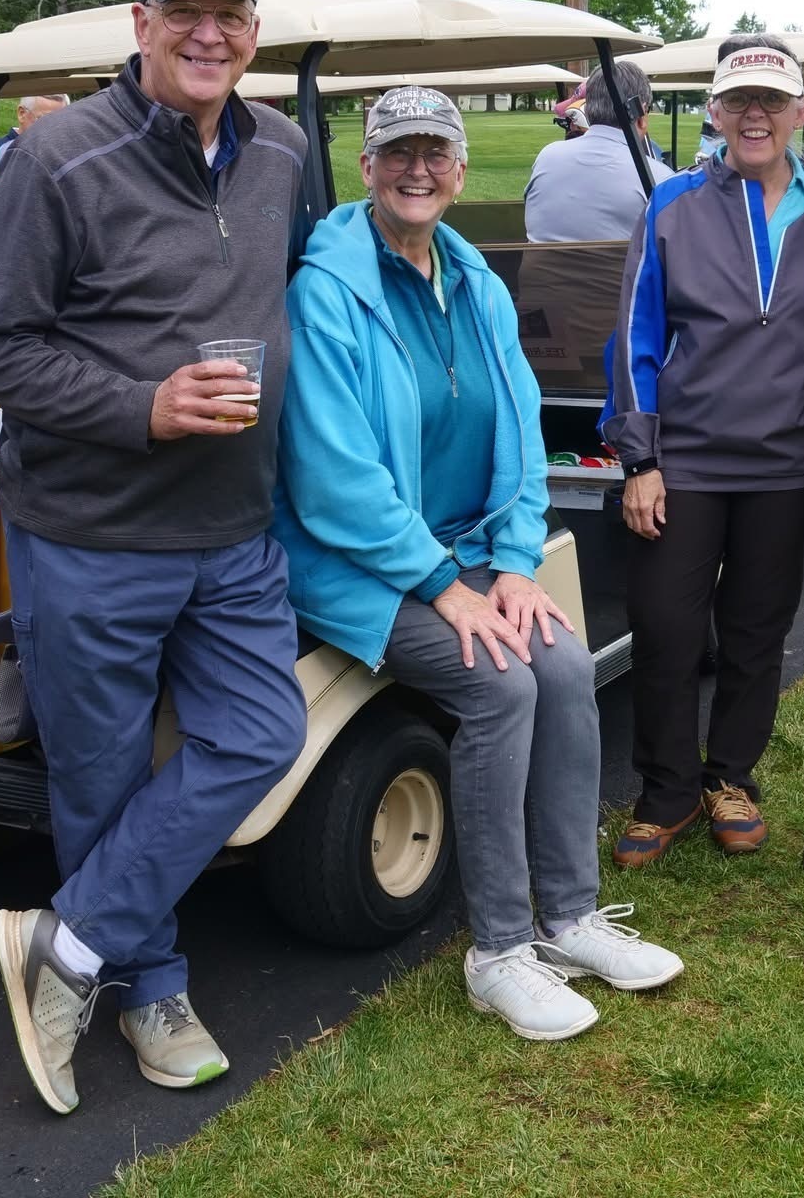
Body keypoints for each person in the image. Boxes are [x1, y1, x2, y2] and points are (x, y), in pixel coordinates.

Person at [0, 0, 311, 1114]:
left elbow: (280, 292)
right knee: (101, 784)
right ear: (140, 24)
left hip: (235, 528)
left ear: (252, 32)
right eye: (185, 12)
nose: (210, 35)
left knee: (260, 734)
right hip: (91, 536)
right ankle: (150, 989)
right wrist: (141, 408)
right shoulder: (58, 156)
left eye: (231, 14)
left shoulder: (281, 149)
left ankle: (65, 941)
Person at [275, 87, 684, 1042]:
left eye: (435, 153)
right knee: (501, 684)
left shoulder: (478, 282)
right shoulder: (324, 290)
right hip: (356, 563)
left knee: (565, 666)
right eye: (397, 152)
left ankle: (569, 917)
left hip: (465, 553)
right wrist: (442, 585)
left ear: (460, 171)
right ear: (368, 167)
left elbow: (519, 437)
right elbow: (332, 480)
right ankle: (497, 950)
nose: (417, 170)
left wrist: (511, 564)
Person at [600, 36, 804, 867]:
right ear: (715, 112)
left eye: (772, 100)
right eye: (739, 101)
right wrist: (640, 459)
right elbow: (634, 335)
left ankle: (731, 776)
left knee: (756, 629)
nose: (755, 115)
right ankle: (667, 790)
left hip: (790, 460)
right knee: (665, 624)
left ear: (800, 111)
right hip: (687, 457)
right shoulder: (672, 204)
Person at [523, 60, 675, 242]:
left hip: (537, 262)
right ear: (641, 114)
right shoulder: (659, 177)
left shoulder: (547, 157)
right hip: (626, 262)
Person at [0, 92, 70, 161]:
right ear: (22, 114)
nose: (53, 128)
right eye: (45, 120)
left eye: (59, 121)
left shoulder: (66, 157)